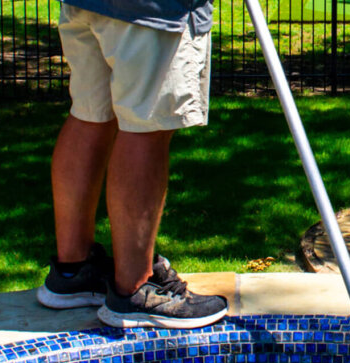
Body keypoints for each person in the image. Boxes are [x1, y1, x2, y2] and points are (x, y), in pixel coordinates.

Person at [35, 0, 228, 329]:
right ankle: (135, 288)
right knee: (147, 128)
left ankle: (74, 270)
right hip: (151, 12)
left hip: (89, 5)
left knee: (90, 115)